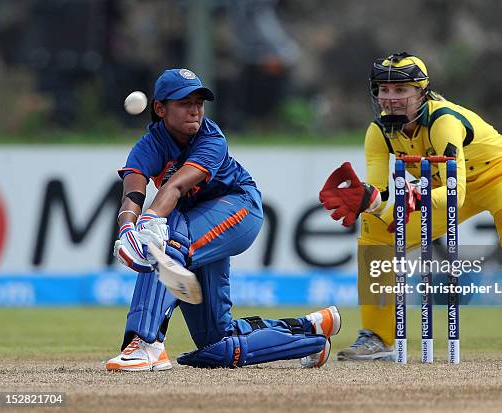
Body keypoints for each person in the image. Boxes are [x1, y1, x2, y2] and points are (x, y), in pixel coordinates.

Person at [319, 52, 502, 361]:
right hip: (440, 187)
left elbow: (457, 194)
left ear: (422, 92)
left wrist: (403, 201)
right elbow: (382, 196)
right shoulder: (378, 132)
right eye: (383, 89)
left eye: (401, 90)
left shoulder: (443, 122)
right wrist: (369, 203)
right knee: (375, 232)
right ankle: (376, 337)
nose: (390, 98)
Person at [107, 68, 340, 371]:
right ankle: (307, 335)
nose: (195, 110)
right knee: (215, 339)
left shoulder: (211, 138)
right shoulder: (149, 145)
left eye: (199, 102)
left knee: (163, 247)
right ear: (160, 108)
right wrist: (127, 227)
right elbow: (133, 191)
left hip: (238, 208)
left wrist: (149, 223)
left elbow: (175, 186)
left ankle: (145, 344)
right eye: (184, 102)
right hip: (194, 222)